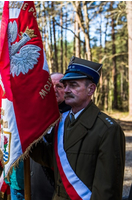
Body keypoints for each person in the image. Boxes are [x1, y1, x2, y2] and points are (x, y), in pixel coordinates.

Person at [30, 56, 125, 199]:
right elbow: (50, 159)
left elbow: (107, 190)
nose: (67, 90)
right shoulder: (60, 123)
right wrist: (27, 136)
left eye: (73, 85)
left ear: (91, 89)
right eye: (65, 85)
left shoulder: (107, 129)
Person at [30, 72, 71, 200]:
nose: (54, 90)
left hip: (59, 186)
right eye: (50, 85)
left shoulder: (72, 117)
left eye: (59, 86)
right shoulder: (36, 115)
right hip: (35, 183)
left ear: (66, 89)